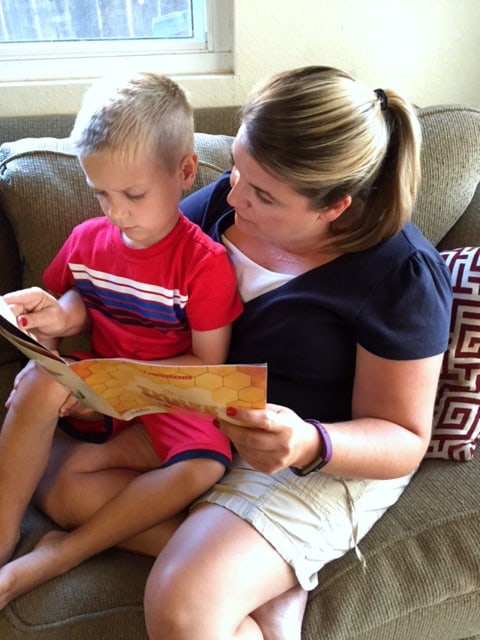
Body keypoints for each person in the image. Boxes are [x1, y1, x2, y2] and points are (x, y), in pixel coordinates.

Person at [2, 65, 452, 640]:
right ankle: (264, 572)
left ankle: (222, 565)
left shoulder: (402, 276)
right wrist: (88, 378)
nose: (231, 192)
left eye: (263, 193)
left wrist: (309, 441)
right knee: (61, 485)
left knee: (182, 610)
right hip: (207, 421)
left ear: (334, 207)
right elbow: (134, 291)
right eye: (238, 168)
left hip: (320, 454)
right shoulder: (224, 205)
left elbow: (404, 438)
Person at [0, 72, 242, 605]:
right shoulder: (90, 239)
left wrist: (125, 385)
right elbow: (78, 299)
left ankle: (68, 549)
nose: (115, 212)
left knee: (202, 466)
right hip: (101, 398)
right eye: (100, 193)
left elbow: (208, 363)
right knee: (38, 393)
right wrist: (58, 319)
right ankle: (4, 530)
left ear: (183, 173)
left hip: (170, 401)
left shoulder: (204, 263)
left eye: (133, 194)